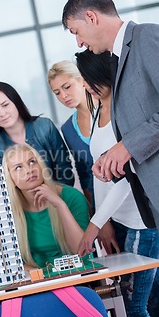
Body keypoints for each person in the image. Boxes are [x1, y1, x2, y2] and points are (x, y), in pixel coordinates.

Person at [62, 0, 159, 317]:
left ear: (92, 16)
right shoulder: (119, 60)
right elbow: (150, 127)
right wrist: (118, 159)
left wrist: (126, 147)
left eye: (76, 31)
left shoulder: (148, 38)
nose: (79, 42)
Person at [75, 50, 159, 317]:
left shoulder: (126, 112)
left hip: (141, 224)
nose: (86, 85)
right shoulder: (100, 107)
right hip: (120, 222)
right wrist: (106, 222)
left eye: (89, 78)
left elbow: (126, 180)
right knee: (158, 299)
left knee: (132, 307)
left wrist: (94, 225)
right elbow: (100, 173)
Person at [2, 143, 88, 268]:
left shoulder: (72, 197)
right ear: (11, 178)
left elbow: (80, 251)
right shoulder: (7, 211)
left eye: (32, 162)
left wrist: (60, 205)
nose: (29, 170)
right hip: (36, 281)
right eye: (18, 168)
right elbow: (9, 263)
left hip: (76, 275)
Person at [0, 82, 75, 186]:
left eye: (5, 105)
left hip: (58, 195)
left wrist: (56, 198)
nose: (2, 114)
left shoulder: (44, 126)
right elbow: (1, 186)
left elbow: (64, 170)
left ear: (16, 102)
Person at [48, 60, 94, 210]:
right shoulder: (68, 129)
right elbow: (84, 172)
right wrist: (94, 210)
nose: (63, 95)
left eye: (67, 87)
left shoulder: (109, 107)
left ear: (82, 80)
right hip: (103, 202)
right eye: (57, 93)